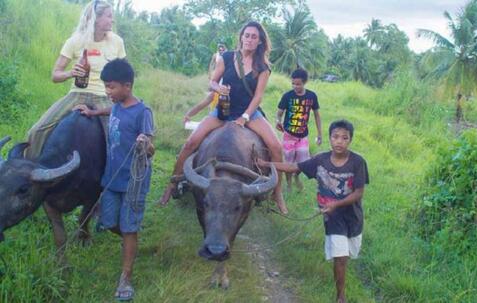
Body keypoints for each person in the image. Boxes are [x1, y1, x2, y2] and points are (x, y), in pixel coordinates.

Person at [160, 21, 288, 214]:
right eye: (247, 35)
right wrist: (217, 87)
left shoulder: (263, 67)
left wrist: (245, 117)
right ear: (241, 37)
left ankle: (277, 193)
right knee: (191, 142)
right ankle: (174, 182)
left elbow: (258, 96)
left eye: (254, 36)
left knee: (277, 147)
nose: (250, 39)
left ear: (260, 41)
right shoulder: (226, 57)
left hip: (249, 112)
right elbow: (211, 81)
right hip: (223, 111)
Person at [258, 120, 369, 303]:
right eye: (335, 137)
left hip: (353, 217)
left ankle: (341, 287)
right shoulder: (321, 160)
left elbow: (359, 193)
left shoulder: (358, 162)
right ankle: (341, 296)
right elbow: (295, 167)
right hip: (332, 218)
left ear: (350, 140)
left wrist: (336, 203)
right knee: (340, 257)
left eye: (344, 138)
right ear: (329, 137)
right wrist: (268, 164)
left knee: (348, 255)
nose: (339, 141)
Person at [74, 59, 154, 301]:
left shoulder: (143, 112)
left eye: (111, 87)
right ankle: (132, 241)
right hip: (112, 179)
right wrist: (94, 111)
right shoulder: (117, 105)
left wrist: (144, 143)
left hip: (133, 180)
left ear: (127, 86)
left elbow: (152, 148)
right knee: (109, 223)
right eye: (106, 87)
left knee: (128, 226)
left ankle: (125, 277)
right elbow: (113, 112)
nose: (108, 92)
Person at [25, 0, 126, 159]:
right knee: (36, 131)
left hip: (105, 96)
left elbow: (124, 72)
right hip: (77, 94)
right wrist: (70, 73)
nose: (112, 20)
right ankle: (29, 172)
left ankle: (113, 181)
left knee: (116, 141)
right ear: (96, 19)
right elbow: (55, 75)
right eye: (108, 16)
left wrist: (119, 96)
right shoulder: (76, 41)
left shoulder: (117, 42)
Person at [276, 68, 322, 192]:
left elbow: (317, 115)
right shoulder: (287, 96)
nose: (295, 86)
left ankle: (296, 176)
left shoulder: (312, 96)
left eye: (298, 84)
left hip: (303, 137)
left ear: (305, 82)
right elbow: (279, 113)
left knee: (303, 162)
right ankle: (289, 184)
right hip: (288, 135)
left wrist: (319, 134)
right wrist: (277, 121)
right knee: (288, 162)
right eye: (293, 83)